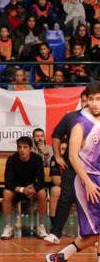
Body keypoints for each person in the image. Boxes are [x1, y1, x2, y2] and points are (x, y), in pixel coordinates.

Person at [45, 81, 100, 262]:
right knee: (96, 232)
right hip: (87, 181)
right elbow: (73, 156)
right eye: (91, 99)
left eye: (98, 99)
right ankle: (61, 257)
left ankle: (60, 258)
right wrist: (87, 182)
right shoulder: (80, 123)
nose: (94, 103)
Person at [47, 88, 90, 244]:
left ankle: (91, 234)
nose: (88, 104)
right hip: (72, 167)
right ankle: (56, 233)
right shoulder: (71, 117)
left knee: (92, 202)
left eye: (91, 100)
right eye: (85, 101)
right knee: (65, 199)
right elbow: (56, 134)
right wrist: (58, 156)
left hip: (92, 169)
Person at [1, 136, 47, 239]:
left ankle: (42, 227)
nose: (22, 150)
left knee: (42, 193)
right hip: (16, 191)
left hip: (31, 191)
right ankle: (7, 227)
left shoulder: (37, 159)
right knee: (6, 193)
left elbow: (41, 181)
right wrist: (21, 189)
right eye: (20, 147)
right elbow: (8, 183)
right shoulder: (12, 159)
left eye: (25, 147)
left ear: (31, 149)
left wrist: (33, 188)